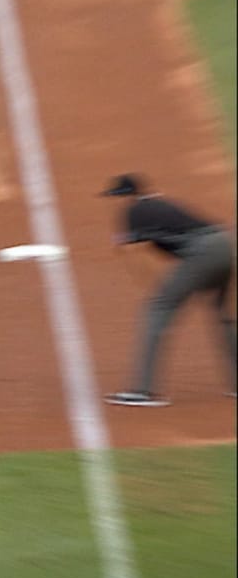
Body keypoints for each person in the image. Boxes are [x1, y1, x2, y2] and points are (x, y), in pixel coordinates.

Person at [99, 174, 236, 407]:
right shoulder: (161, 203)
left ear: (124, 196)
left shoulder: (134, 211)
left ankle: (143, 391)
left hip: (203, 253)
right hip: (226, 245)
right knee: (224, 316)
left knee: (158, 308)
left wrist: (153, 288)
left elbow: (134, 254)